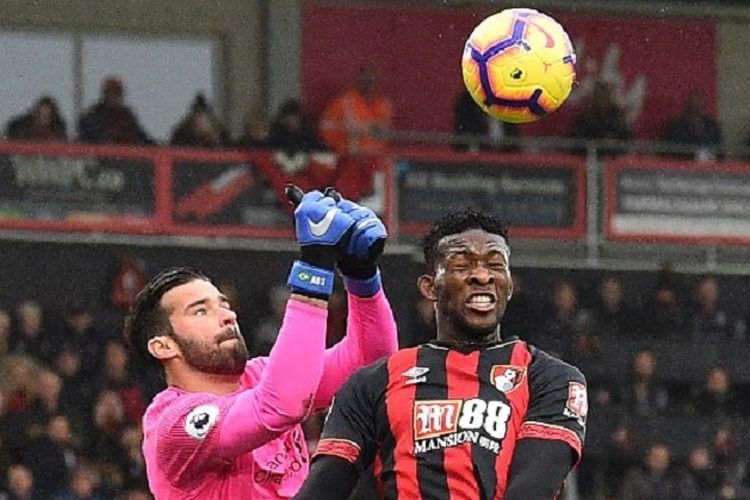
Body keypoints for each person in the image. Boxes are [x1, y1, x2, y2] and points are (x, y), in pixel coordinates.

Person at [296, 208, 587, 499]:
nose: (482, 276)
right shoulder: (371, 384)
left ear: (509, 285)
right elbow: (324, 486)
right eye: (462, 265)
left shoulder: (550, 378)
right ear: (429, 287)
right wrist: (315, 264)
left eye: (496, 265)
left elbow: (532, 488)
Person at [126, 188, 397, 498]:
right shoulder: (173, 424)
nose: (227, 315)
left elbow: (371, 366)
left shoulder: (260, 376)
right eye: (200, 310)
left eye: (223, 304)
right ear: (163, 346)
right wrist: (314, 266)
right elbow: (279, 406)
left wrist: (359, 275)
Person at [78, 77, 152, 145]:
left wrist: (156, 146)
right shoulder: (92, 117)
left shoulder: (127, 116)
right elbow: (96, 138)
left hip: (128, 156)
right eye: (111, 93)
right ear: (105, 95)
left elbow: (141, 137)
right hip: (101, 157)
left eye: (118, 93)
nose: (115, 97)